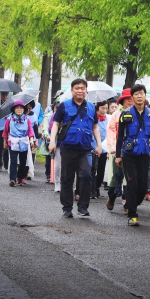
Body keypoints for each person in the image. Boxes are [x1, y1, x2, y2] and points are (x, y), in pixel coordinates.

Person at [48, 79, 103, 218]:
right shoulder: (64, 106)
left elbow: (95, 127)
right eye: (77, 88)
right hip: (68, 147)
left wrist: (99, 144)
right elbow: (56, 123)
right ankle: (67, 207)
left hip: (85, 148)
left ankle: (83, 206)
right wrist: (52, 141)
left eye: (82, 88)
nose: (80, 90)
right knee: (67, 178)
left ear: (86, 91)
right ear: (72, 90)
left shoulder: (91, 107)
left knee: (86, 175)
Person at [115, 84, 150, 226]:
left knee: (143, 186)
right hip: (129, 154)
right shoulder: (126, 114)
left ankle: (132, 202)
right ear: (132, 97)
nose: (139, 96)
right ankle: (132, 214)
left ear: (145, 96)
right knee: (132, 182)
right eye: (136, 94)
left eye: (141, 93)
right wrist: (118, 154)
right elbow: (120, 136)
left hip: (144, 154)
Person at [104, 90, 133, 210]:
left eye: (132, 99)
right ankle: (112, 197)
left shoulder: (139, 114)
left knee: (130, 178)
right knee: (116, 177)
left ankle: (128, 204)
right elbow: (111, 131)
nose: (130, 102)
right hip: (118, 150)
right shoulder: (116, 115)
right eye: (128, 100)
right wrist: (113, 148)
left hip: (133, 152)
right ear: (123, 101)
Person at [4, 100, 34, 186]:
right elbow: (5, 132)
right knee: (13, 160)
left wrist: (31, 140)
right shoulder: (9, 119)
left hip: (24, 141)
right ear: (14, 109)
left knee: (23, 161)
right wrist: (5, 142)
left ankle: (21, 177)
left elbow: (30, 131)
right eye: (17, 108)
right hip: (13, 142)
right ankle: (12, 179)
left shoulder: (27, 119)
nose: (19, 109)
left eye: (21, 108)